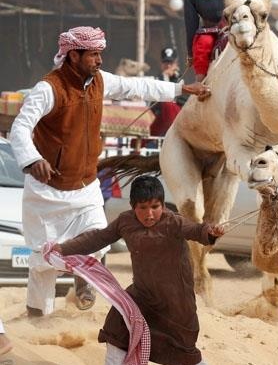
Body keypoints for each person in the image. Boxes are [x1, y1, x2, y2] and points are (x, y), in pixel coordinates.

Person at [9, 26, 211, 318]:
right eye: (93, 55)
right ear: (73, 55)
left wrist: (180, 89)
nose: (99, 61)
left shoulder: (100, 81)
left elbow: (139, 87)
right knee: (44, 263)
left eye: (100, 54)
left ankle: (84, 284)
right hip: (47, 194)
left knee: (96, 241)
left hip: (86, 187)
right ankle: (37, 322)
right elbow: (20, 128)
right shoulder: (48, 89)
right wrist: (31, 160)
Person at [52, 175, 227, 365]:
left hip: (176, 304)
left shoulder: (173, 222)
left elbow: (197, 230)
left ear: (162, 206)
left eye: (155, 207)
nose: (149, 214)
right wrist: (63, 248)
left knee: (185, 353)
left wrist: (212, 232)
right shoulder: (125, 222)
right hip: (141, 296)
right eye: (142, 208)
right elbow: (97, 238)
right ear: (133, 207)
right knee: (115, 330)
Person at [185, 0, 257, 81]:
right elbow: (190, 25)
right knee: (203, 44)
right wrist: (190, 54)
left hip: (231, 27)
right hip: (209, 32)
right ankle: (200, 82)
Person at [149, 46, 185, 137]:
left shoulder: (179, 79)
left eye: (170, 63)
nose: (168, 66)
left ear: (176, 64)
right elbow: (153, 103)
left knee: (168, 104)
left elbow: (182, 100)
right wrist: (164, 76)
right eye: (165, 62)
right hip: (160, 117)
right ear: (161, 64)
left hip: (176, 119)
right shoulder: (158, 79)